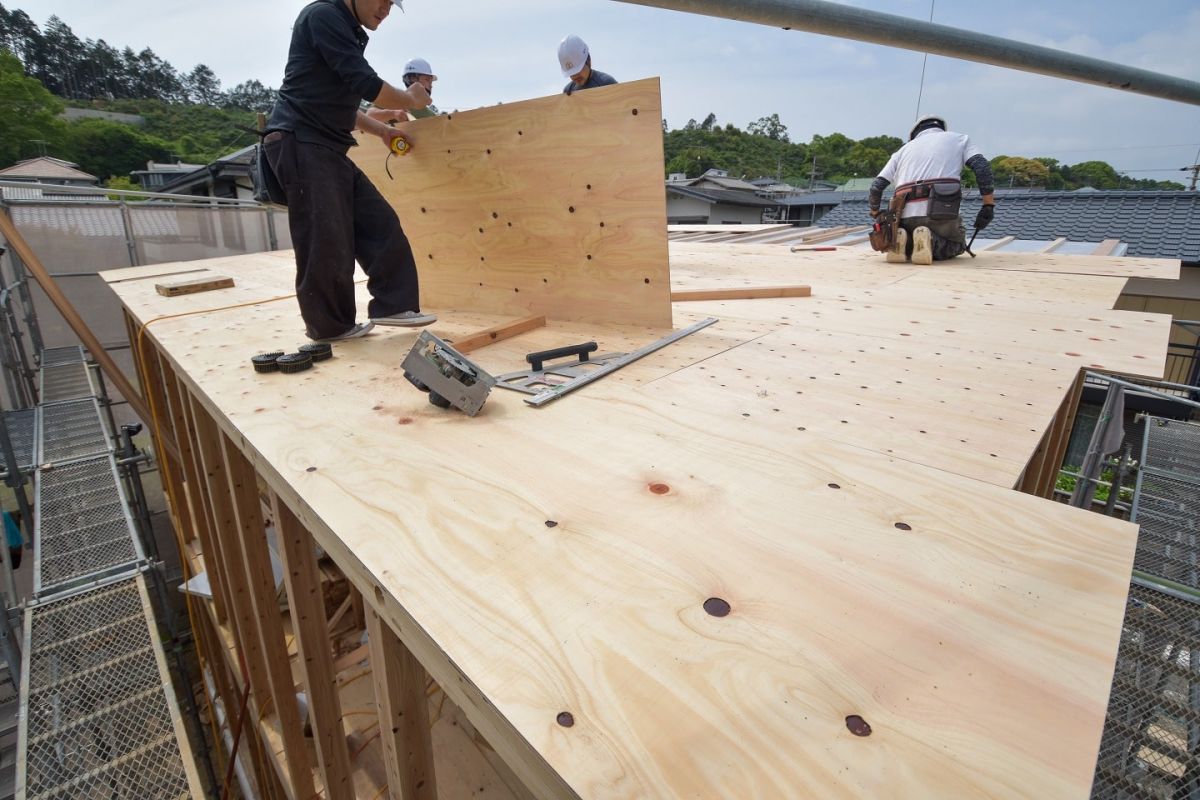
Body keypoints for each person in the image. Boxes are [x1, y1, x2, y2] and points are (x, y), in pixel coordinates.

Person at [264, 0, 437, 342]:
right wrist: (412, 100)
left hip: (326, 146)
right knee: (326, 239)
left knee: (379, 222)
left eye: (392, 4)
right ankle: (330, 327)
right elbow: (364, 82)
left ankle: (393, 306)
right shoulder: (323, 16)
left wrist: (383, 131)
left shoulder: (345, 28)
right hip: (302, 142)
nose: (387, 9)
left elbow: (341, 104)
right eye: (383, 0)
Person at [868, 115, 996, 266]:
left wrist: (876, 213)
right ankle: (930, 240)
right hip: (942, 211)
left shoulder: (902, 150)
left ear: (914, 134)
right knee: (957, 245)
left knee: (911, 241)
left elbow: (876, 186)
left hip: (902, 216)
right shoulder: (960, 139)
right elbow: (982, 167)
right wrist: (988, 205)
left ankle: (899, 241)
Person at [367, 57, 438, 124]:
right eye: (427, 80)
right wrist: (393, 114)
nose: (431, 85)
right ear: (412, 78)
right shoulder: (394, 101)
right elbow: (369, 116)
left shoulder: (432, 116)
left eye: (431, 81)